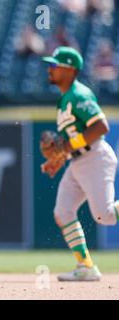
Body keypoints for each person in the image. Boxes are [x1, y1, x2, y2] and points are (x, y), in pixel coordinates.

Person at [41, 46, 119, 281]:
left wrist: (65, 148)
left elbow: (100, 126)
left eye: (55, 65)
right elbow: (72, 139)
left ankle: (85, 267)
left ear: (70, 70)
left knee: (105, 216)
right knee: (62, 212)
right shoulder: (65, 99)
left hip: (95, 157)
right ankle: (85, 267)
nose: (50, 69)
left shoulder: (79, 95)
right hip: (78, 162)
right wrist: (58, 158)